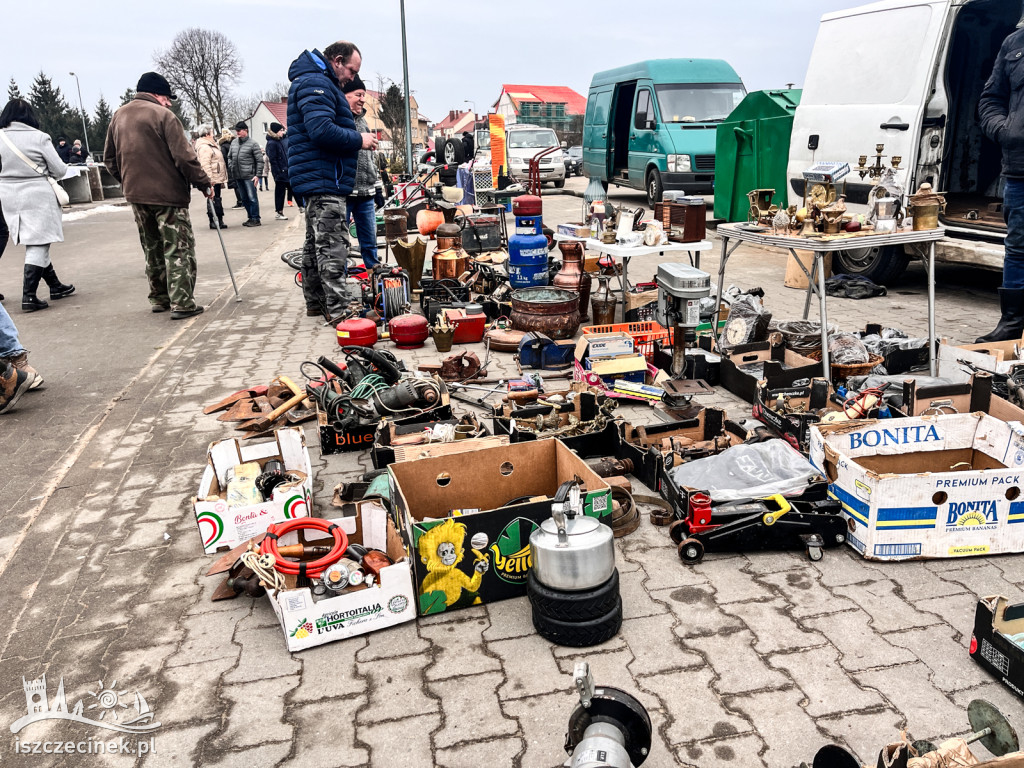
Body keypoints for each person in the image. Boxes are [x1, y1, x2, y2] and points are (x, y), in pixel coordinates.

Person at [103, 71, 212, 320]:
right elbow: (185, 157)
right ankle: (182, 302)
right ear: (156, 94)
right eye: (167, 97)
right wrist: (204, 183)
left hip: (136, 196)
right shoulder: (164, 116)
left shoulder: (118, 116)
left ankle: (159, 297)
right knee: (178, 248)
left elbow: (110, 159)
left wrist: (128, 181)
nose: (169, 102)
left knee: (151, 246)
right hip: (168, 197)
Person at [286, 40, 378, 318]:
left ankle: (316, 302)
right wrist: (358, 139)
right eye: (351, 70)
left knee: (315, 245)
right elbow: (321, 130)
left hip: (317, 176)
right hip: (326, 177)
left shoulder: (313, 82)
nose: (352, 77)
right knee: (333, 247)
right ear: (337, 61)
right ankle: (339, 311)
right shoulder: (319, 84)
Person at [0, 99, 76, 312]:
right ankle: (29, 296)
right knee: (39, 243)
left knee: (35, 241)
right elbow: (60, 170)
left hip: (7, 194)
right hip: (37, 194)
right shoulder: (40, 138)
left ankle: (55, 286)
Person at [979, 30, 1024, 342]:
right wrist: (1004, 130)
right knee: (1018, 248)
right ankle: (1012, 323)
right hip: (1020, 168)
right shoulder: (1014, 43)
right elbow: (991, 98)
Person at [343, 76, 383, 269]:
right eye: (358, 94)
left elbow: (369, 159)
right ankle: (340, 281)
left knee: (369, 241)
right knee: (340, 242)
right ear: (344, 95)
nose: (362, 99)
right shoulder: (339, 121)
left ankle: (374, 276)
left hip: (366, 193)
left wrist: (378, 188)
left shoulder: (363, 121)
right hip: (345, 192)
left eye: (364, 95)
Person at [228, 122, 263, 227]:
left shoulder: (253, 144)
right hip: (238, 175)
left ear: (245, 130)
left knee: (252, 197)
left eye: (239, 130)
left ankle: (256, 218)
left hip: (249, 175)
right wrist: (231, 166)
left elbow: (260, 161)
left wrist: (258, 175)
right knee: (244, 198)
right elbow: (229, 156)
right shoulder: (234, 143)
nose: (237, 132)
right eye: (236, 130)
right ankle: (250, 217)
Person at [195, 124, 229, 230]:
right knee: (213, 199)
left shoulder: (211, 145)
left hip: (216, 177)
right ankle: (214, 220)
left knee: (217, 198)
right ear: (207, 134)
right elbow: (205, 165)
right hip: (213, 178)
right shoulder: (205, 147)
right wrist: (209, 180)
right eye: (212, 132)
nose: (213, 134)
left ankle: (218, 219)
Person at [265, 121, 291, 221]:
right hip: (280, 172)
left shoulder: (279, 141)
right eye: (281, 130)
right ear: (276, 131)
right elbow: (273, 159)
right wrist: (278, 172)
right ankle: (279, 212)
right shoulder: (272, 143)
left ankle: (301, 206)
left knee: (291, 189)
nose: (283, 132)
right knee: (280, 192)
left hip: (285, 169)